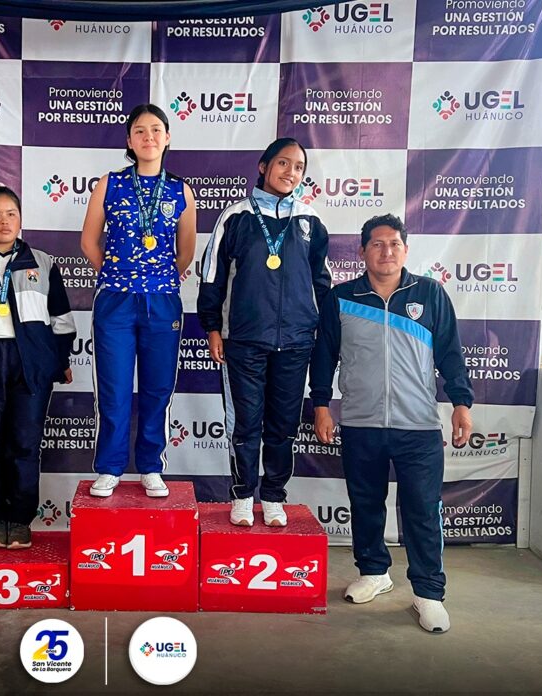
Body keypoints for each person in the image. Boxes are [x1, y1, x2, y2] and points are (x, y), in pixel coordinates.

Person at [310, 213, 473, 634]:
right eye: (377, 244)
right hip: (361, 422)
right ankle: (374, 572)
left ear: (406, 249)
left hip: (418, 426)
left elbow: (450, 353)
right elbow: (324, 355)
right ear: (362, 251)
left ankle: (428, 594)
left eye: (394, 244)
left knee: (422, 509)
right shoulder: (342, 298)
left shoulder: (429, 294)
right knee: (365, 503)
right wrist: (321, 404)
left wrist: (461, 403)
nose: (387, 251)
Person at [197, 138, 331, 527]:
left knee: (283, 425)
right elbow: (212, 276)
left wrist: (324, 332)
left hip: (296, 341)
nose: (291, 172)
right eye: (283, 163)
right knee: (245, 422)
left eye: (299, 167)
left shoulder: (310, 220)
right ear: (263, 166)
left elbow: (321, 283)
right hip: (244, 340)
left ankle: (273, 496)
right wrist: (212, 327)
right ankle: (242, 495)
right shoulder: (236, 216)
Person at [79, 103, 197, 498]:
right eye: (140, 131)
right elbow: (88, 242)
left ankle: (150, 466)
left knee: (157, 388)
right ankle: (109, 467)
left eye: (156, 130)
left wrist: (156, 278)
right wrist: (117, 276)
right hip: (115, 300)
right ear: (129, 140)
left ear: (167, 137)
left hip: (161, 302)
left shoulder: (180, 190)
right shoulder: (109, 183)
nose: (149, 137)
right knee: (113, 389)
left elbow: (185, 252)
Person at [0, 185, 76, 550]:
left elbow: (62, 319)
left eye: (11, 214)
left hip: (30, 363)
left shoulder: (42, 261)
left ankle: (20, 520)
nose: (4, 222)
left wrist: (60, 360)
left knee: (24, 443)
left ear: (20, 219)